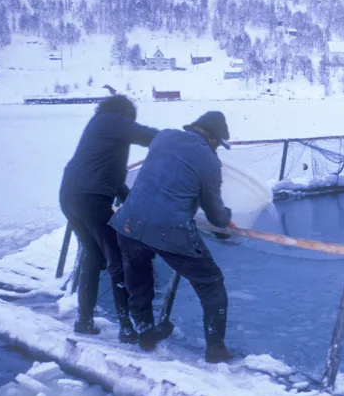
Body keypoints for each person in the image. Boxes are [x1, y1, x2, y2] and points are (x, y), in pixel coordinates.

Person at [110, 111, 235, 363]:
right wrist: (228, 217)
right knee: (211, 283)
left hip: (129, 223)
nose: (217, 150)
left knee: (138, 277)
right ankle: (216, 349)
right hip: (170, 230)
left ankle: (145, 330)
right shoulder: (210, 162)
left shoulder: (164, 136)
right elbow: (215, 215)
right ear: (213, 140)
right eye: (218, 145)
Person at [59, 95, 158, 341]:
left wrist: (133, 201)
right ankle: (126, 328)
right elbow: (150, 136)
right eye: (131, 117)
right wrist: (181, 141)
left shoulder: (100, 126)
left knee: (93, 257)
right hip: (91, 198)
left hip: (71, 196)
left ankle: (84, 321)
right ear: (124, 112)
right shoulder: (112, 120)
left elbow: (111, 177)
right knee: (118, 260)